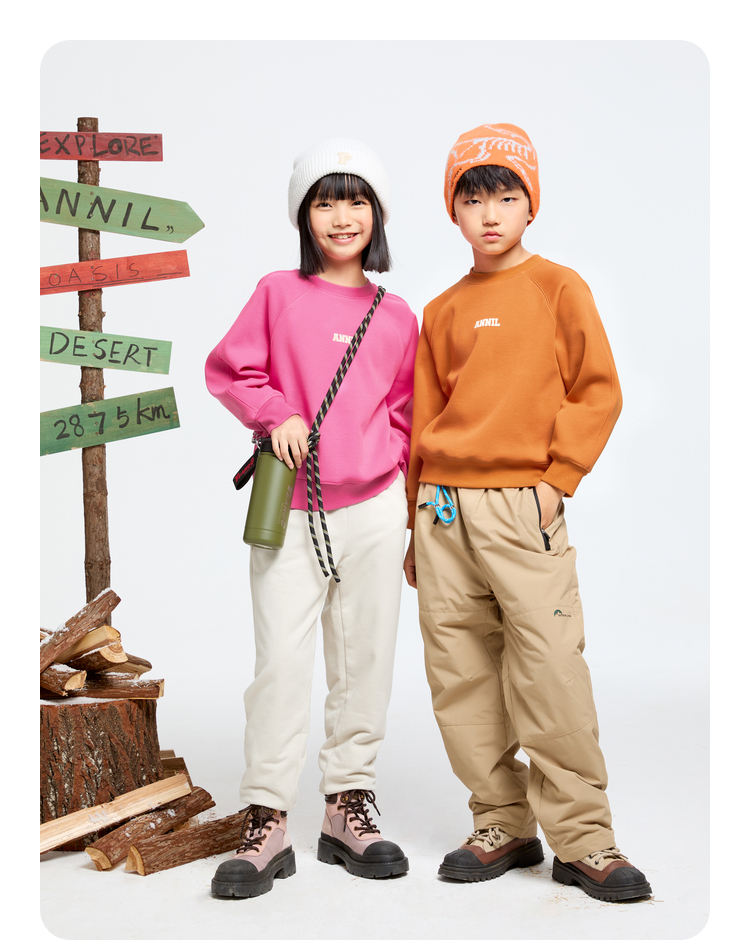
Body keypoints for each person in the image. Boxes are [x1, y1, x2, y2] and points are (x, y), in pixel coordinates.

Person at [403, 123, 651, 903]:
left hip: (522, 506)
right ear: (453, 211)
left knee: (549, 669)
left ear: (530, 205)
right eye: (473, 200)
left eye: (506, 197)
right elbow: (423, 419)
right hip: (442, 510)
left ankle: (584, 838)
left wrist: (557, 479)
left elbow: (598, 389)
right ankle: (501, 823)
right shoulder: (442, 310)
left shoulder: (558, 288)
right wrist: (414, 524)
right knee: (461, 674)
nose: (490, 214)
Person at [206, 138, 418, 899]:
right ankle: (266, 816)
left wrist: (389, 475)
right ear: (304, 214)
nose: (341, 216)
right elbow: (231, 370)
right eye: (325, 201)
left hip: (374, 509)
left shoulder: (397, 316)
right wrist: (275, 415)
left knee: (366, 660)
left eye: (356, 200)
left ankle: (346, 806)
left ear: (377, 214)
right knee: (281, 665)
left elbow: (406, 414)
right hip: (292, 506)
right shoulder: (277, 292)